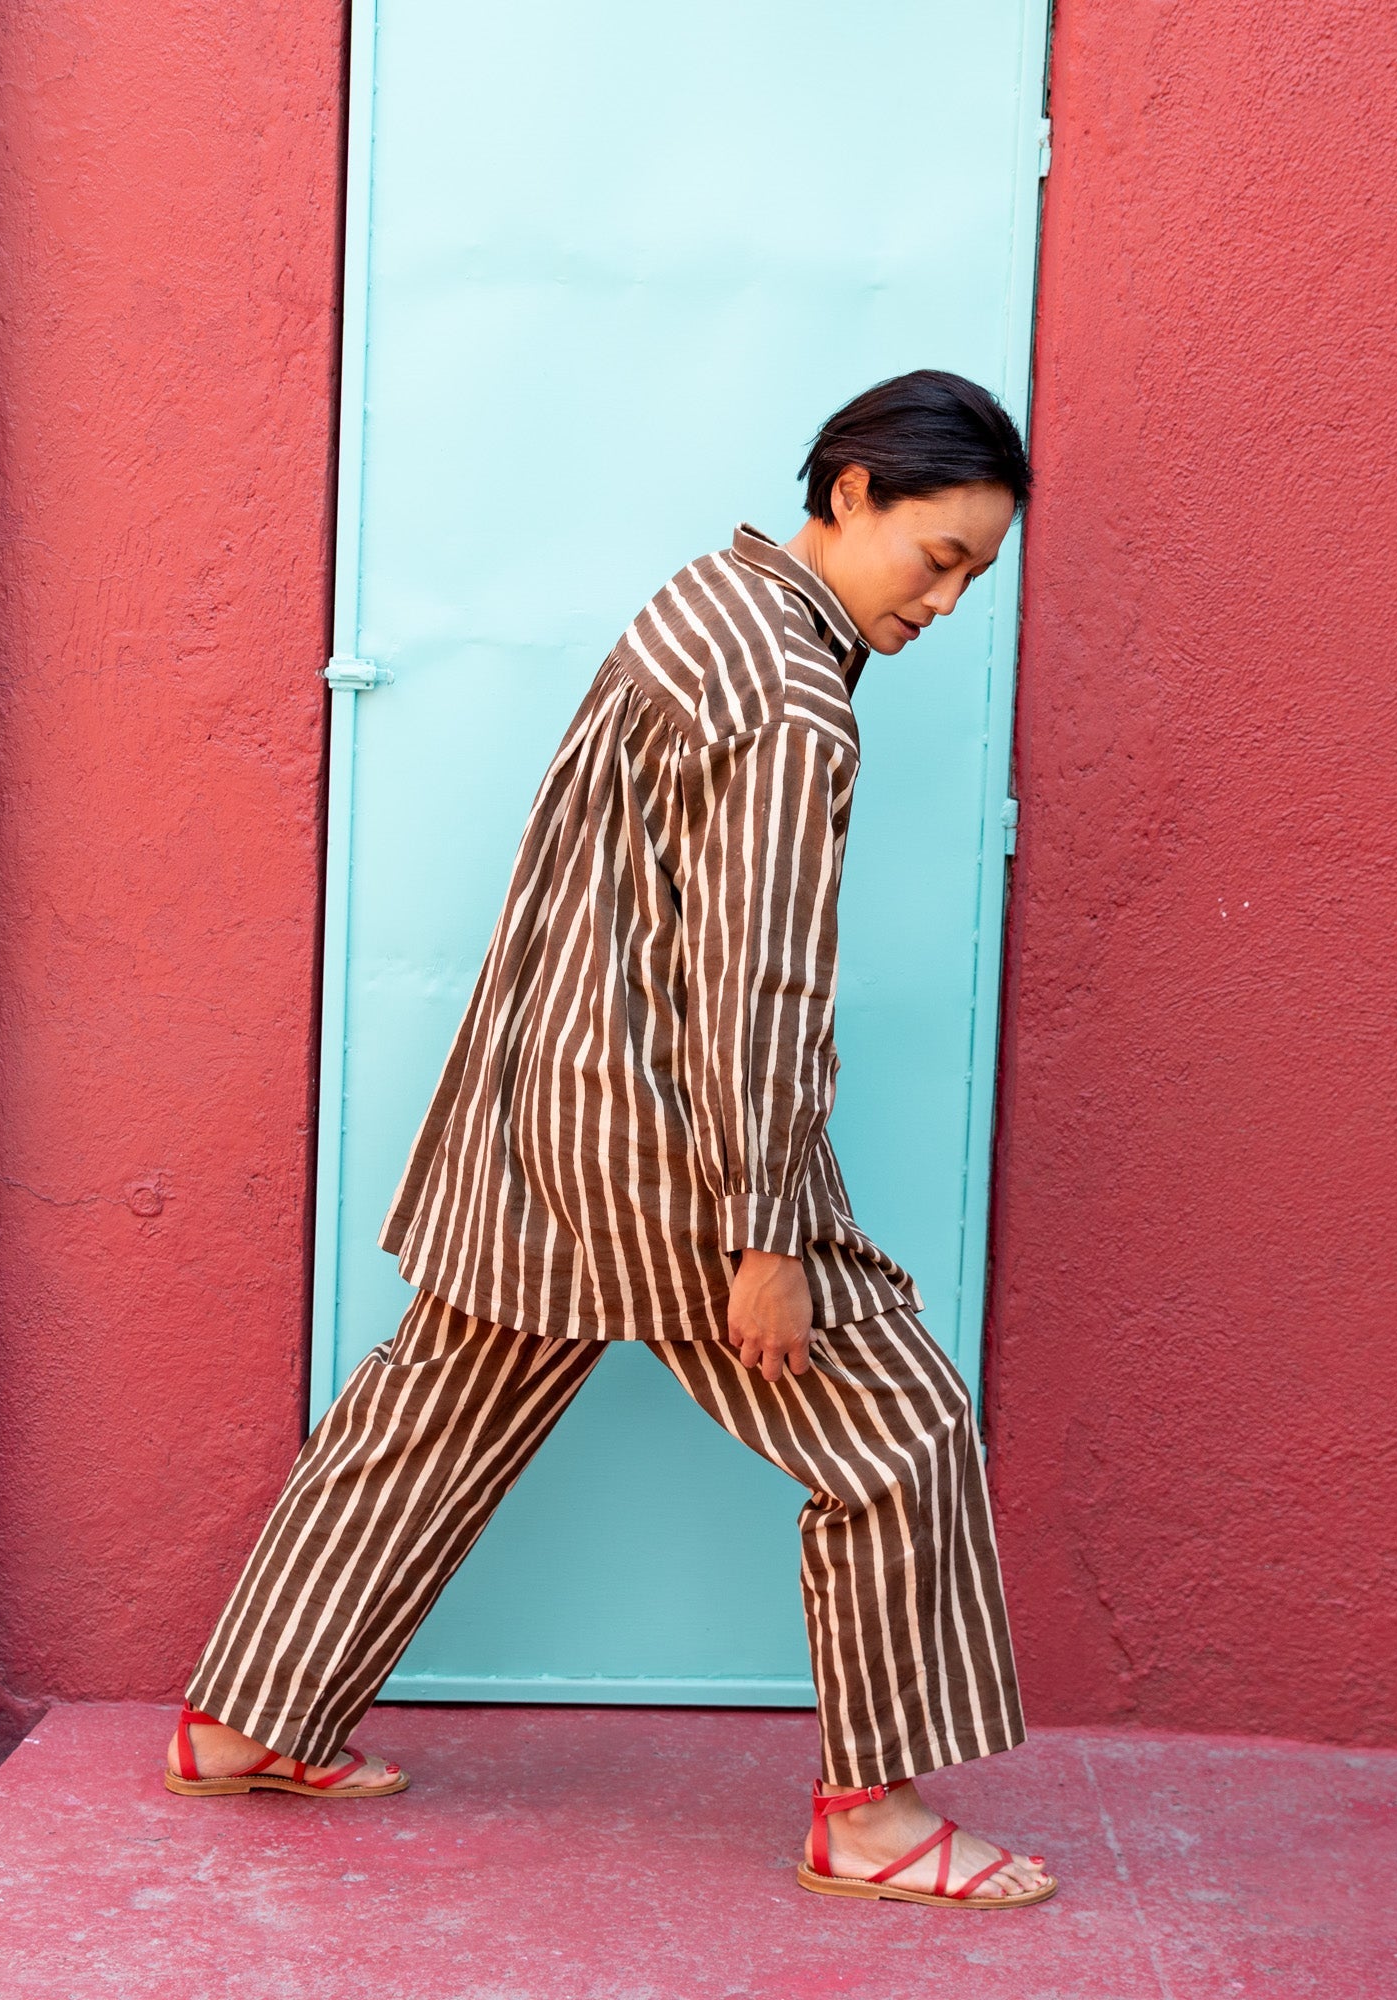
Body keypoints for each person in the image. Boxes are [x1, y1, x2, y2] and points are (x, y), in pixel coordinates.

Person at [165, 370, 1056, 1911]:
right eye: (939, 558)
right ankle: (871, 1818)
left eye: (978, 571)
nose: (955, 599)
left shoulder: (706, 602)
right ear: (852, 493)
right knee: (901, 1430)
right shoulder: (791, 701)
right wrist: (768, 1239)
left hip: (537, 1119)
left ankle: (246, 1721)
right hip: (668, 1160)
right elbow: (761, 988)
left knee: (434, 1416)